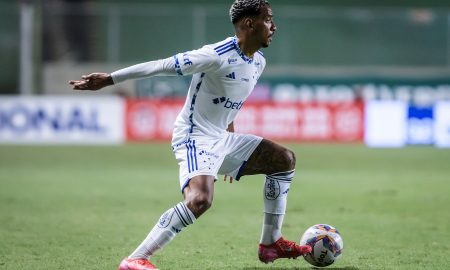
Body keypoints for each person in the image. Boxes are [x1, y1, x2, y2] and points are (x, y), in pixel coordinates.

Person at [69, 1, 311, 269]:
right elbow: (161, 65)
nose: (273, 26)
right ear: (249, 24)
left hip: (222, 138)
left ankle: (271, 243)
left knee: (284, 160)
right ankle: (136, 259)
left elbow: (228, 102)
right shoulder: (215, 55)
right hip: (195, 137)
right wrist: (110, 79)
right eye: (268, 20)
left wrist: (231, 145)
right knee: (200, 200)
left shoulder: (258, 62)